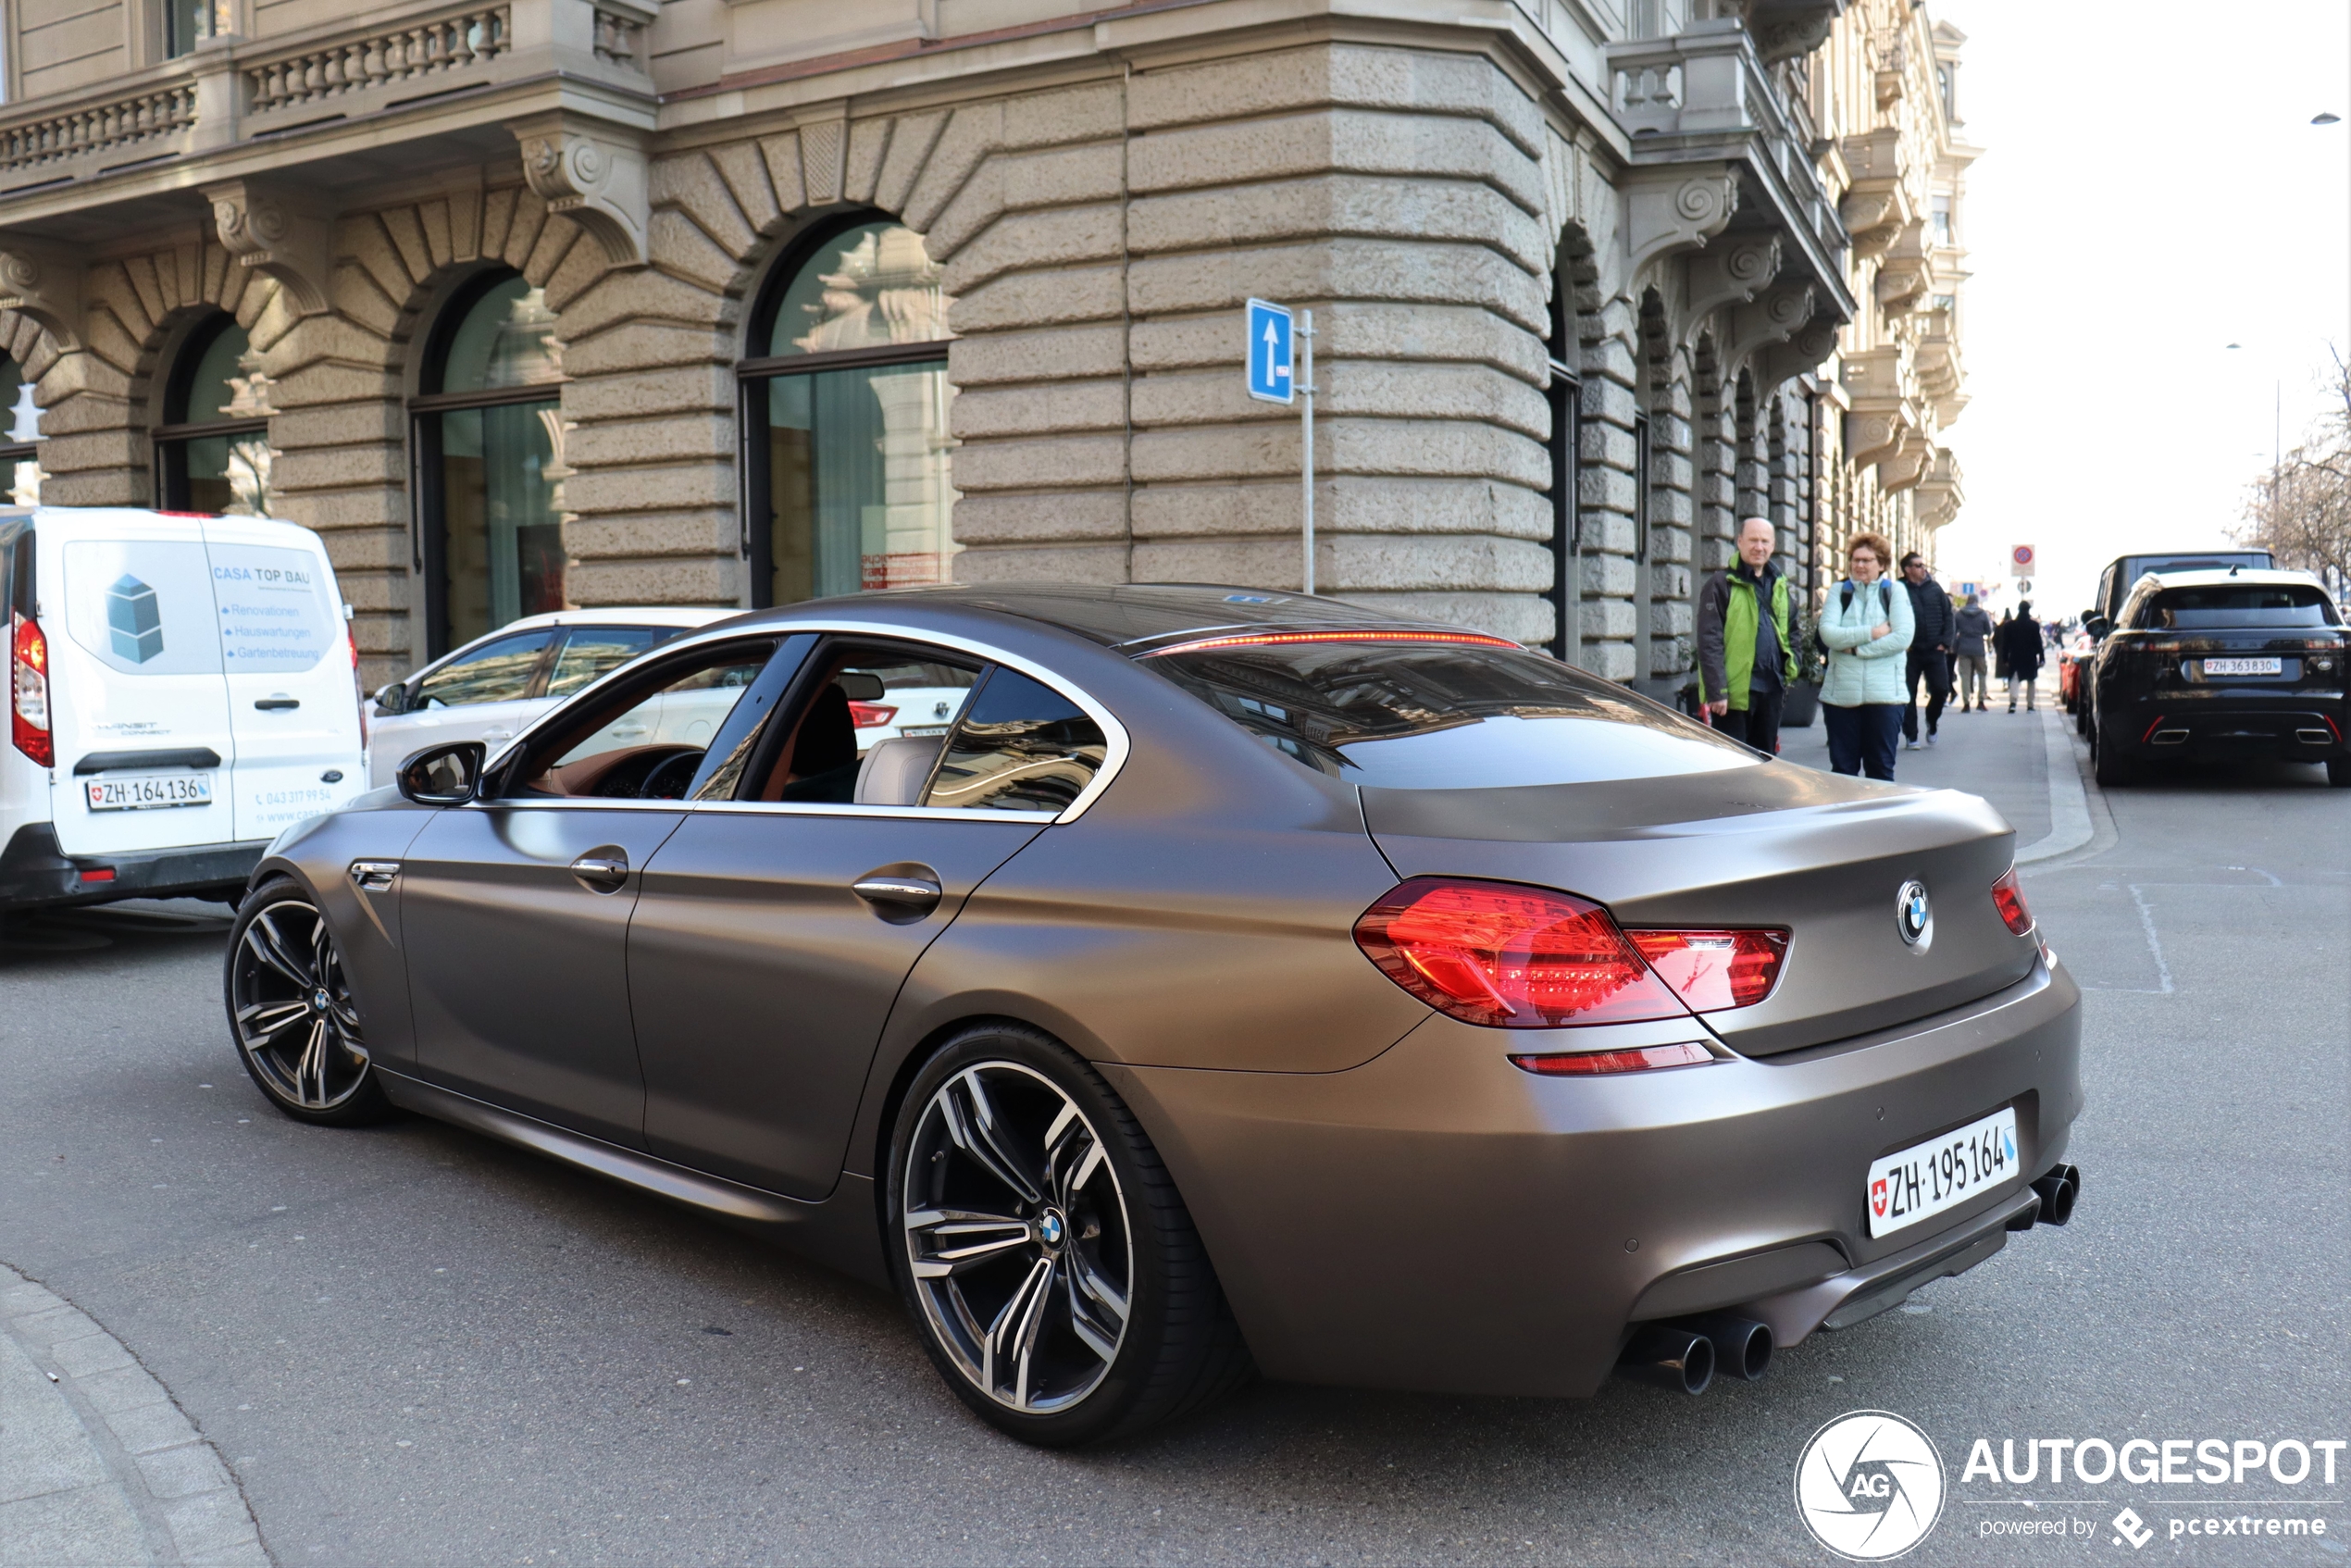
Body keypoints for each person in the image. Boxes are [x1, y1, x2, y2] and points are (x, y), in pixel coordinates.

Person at [1695, 516, 1800, 755]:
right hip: (1732, 696)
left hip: (1771, 690)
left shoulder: (1779, 585)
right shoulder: (1721, 584)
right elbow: (1709, 640)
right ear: (1740, 542)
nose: (1759, 547)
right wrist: (1716, 691)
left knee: (1765, 761)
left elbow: (1793, 629)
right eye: (1753, 540)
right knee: (1732, 762)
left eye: (1765, 541)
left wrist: (1793, 664)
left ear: (1773, 545)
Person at [1817, 531, 1914, 780]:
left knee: (1881, 770)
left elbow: (1902, 637)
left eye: (1867, 560)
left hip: (1885, 697)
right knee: (1842, 772)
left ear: (1881, 564)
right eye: (1856, 559)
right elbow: (1828, 634)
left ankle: (1879, 820)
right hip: (1841, 697)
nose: (1860, 565)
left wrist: (1856, 649)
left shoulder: (1895, 591)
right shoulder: (1840, 591)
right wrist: (1873, 632)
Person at [1897, 551, 1954, 749]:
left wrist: (1945, 643)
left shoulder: (1935, 589)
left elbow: (1949, 616)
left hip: (1934, 651)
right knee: (1907, 695)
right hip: (1909, 652)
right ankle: (1911, 735)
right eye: (1919, 565)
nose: (1924, 569)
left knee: (1941, 689)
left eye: (1923, 565)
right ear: (1908, 569)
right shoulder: (1898, 589)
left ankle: (1932, 720)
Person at [1999, 600, 2046, 712]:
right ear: (2029, 610)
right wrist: (2042, 657)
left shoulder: (2009, 625)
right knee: (2031, 680)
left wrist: (2005, 658)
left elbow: (2005, 644)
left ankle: (2013, 703)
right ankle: (2030, 705)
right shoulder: (2034, 625)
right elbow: (2038, 642)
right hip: (2030, 656)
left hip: (2015, 656)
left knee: (2015, 678)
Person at [1952, 593, 1993, 712]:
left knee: (1965, 676)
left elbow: (1954, 632)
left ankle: (1966, 703)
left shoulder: (1959, 614)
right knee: (1982, 674)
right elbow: (1988, 631)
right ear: (1976, 601)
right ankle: (1981, 701)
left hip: (1963, 647)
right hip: (1978, 648)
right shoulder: (1983, 614)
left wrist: (1955, 646)